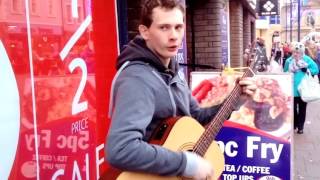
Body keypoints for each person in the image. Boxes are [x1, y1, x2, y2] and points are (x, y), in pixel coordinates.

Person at [105, 0, 257, 179]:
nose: (174, 36)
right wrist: (184, 163)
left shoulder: (172, 72)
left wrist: (234, 101)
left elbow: (196, 118)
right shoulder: (137, 79)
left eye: (178, 27)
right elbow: (120, 149)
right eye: (164, 28)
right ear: (144, 32)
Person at [284, 42, 319, 134]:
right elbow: (284, 72)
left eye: (298, 52)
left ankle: (300, 127)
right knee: (293, 109)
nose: (296, 54)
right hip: (292, 89)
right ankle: (295, 124)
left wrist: (307, 70)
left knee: (302, 109)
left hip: (304, 89)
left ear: (302, 52)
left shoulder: (307, 60)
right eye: (294, 52)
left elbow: (316, 69)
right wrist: (288, 72)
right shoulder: (289, 61)